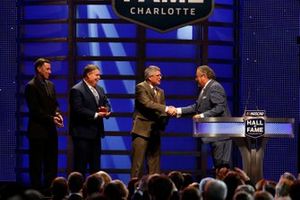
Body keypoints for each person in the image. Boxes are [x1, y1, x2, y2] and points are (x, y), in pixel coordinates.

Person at [175, 65, 232, 169]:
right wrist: (177, 111)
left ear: (204, 76)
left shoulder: (215, 87)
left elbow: (220, 107)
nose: (196, 79)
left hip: (221, 136)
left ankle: (223, 185)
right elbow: (196, 107)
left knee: (222, 168)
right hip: (215, 135)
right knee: (218, 167)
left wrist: (202, 116)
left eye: (197, 77)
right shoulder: (205, 89)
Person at [24, 58, 63, 191]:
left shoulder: (51, 85)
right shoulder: (31, 86)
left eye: (50, 69)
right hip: (37, 131)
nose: (49, 72)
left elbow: (55, 104)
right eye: (47, 69)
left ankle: (49, 189)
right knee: (36, 164)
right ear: (39, 69)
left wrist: (57, 114)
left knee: (51, 162)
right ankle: (35, 192)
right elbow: (35, 110)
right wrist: (52, 119)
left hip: (51, 132)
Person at [130, 65, 176, 178]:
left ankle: (154, 189)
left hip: (155, 131)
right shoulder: (141, 87)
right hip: (141, 131)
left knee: (154, 166)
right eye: (158, 75)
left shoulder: (161, 91)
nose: (161, 77)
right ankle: (133, 190)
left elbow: (162, 110)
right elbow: (147, 104)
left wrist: (172, 112)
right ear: (150, 77)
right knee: (137, 165)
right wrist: (166, 109)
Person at [69, 64, 111, 176]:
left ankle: (94, 191)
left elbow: (106, 103)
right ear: (88, 74)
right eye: (97, 75)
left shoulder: (100, 89)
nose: (99, 78)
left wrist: (106, 110)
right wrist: (96, 114)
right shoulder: (77, 89)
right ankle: (78, 190)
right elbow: (78, 109)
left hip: (96, 134)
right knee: (80, 166)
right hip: (82, 134)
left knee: (95, 166)